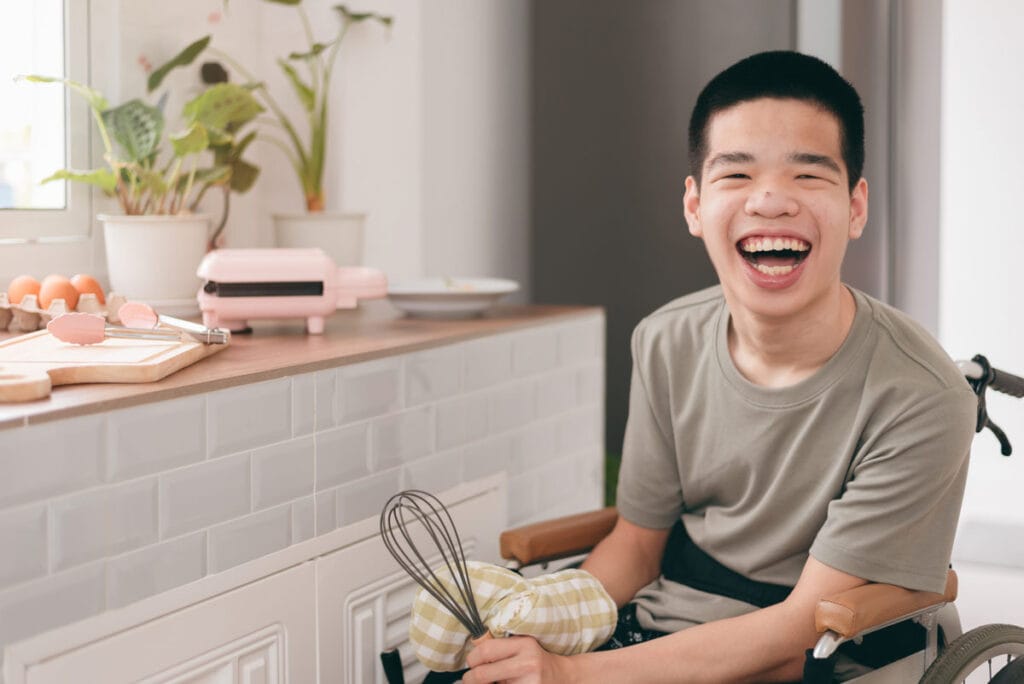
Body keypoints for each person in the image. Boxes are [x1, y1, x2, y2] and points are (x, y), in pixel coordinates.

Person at [462, 50, 977, 683]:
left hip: (812, 657)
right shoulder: (665, 341)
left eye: (808, 175)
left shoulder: (923, 396)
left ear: (856, 206)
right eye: (736, 175)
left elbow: (797, 633)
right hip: (655, 633)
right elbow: (637, 544)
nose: (770, 201)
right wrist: (545, 623)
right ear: (695, 206)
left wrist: (570, 677)